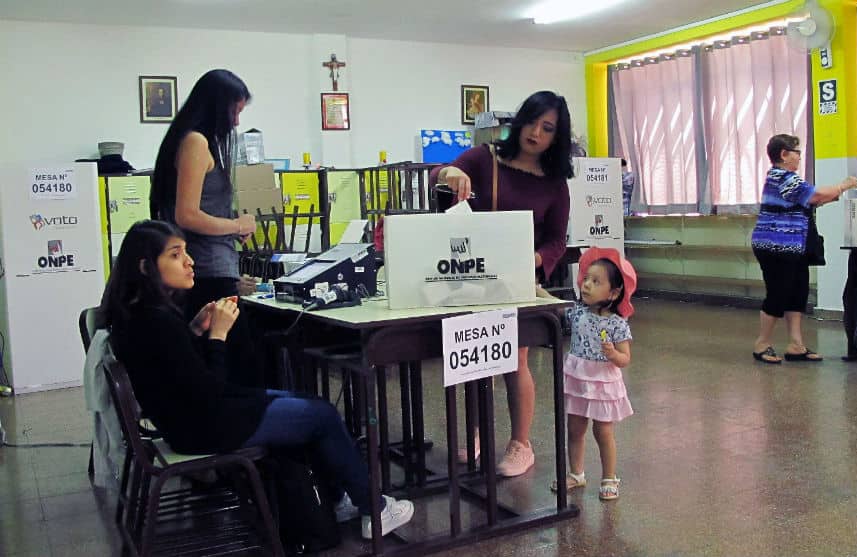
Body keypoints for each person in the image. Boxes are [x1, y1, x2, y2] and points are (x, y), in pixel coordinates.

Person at [100, 220, 414, 540]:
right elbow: (210, 390)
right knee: (322, 415)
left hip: (187, 421)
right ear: (145, 267)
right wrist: (218, 336)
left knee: (304, 403)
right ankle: (373, 510)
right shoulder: (156, 321)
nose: (189, 261)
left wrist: (195, 331)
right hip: (204, 426)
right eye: (176, 255)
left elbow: (179, 371)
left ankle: (338, 498)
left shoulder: (140, 314)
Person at [431, 90, 574, 476]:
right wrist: (450, 172)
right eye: (531, 122)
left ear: (556, 137)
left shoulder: (555, 183)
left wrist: (535, 259)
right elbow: (437, 175)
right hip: (473, 275)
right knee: (476, 356)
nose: (535, 133)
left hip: (518, 279)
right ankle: (477, 435)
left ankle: (520, 443)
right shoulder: (484, 158)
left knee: (516, 359)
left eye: (547, 128)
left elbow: (557, 239)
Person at [150, 69, 258, 321]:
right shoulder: (195, 143)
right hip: (207, 270)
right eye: (234, 112)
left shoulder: (192, 141)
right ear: (215, 108)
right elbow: (186, 215)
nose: (236, 122)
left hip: (210, 267)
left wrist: (232, 229)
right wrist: (236, 224)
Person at [751, 134, 857, 364]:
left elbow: (811, 200)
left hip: (793, 245)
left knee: (798, 291)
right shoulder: (782, 177)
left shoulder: (791, 180)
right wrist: (843, 185)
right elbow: (816, 195)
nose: (800, 156)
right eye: (797, 151)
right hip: (774, 246)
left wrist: (830, 196)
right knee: (778, 293)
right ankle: (762, 343)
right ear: (784, 154)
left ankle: (796, 345)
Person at [550, 247, 636, 500]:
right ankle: (576, 474)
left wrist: (613, 355)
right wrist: (534, 290)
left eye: (596, 282)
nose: (586, 285)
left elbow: (625, 359)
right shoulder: (578, 313)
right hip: (579, 379)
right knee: (574, 428)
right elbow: (555, 305)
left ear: (614, 292)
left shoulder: (617, 323)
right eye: (586, 279)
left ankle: (610, 477)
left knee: (603, 432)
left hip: (602, 383)